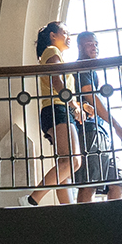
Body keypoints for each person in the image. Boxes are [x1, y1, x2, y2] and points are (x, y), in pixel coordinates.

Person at [23, 21, 88, 206]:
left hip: (54, 109)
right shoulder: (52, 51)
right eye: (65, 33)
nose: (69, 37)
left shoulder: (52, 53)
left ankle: (67, 209)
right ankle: (32, 200)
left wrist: (77, 105)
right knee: (74, 161)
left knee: (65, 163)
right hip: (58, 109)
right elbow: (57, 82)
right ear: (53, 35)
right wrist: (73, 107)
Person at [70, 31, 122, 203]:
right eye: (89, 44)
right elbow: (92, 99)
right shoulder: (82, 67)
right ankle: (86, 228)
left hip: (102, 132)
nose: (94, 47)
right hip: (89, 131)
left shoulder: (90, 70)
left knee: (118, 181)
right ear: (80, 46)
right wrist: (118, 126)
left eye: (95, 43)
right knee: (89, 182)